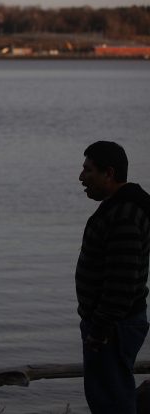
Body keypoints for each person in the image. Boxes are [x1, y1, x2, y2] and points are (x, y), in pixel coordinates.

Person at [77, 141, 150, 413]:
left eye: (88, 170)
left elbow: (122, 280)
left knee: (112, 403)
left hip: (112, 329)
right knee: (108, 397)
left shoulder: (125, 215)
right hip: (112, 326)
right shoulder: (120, 209)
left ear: (109, 173)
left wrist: (99, 329)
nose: (81, 177)